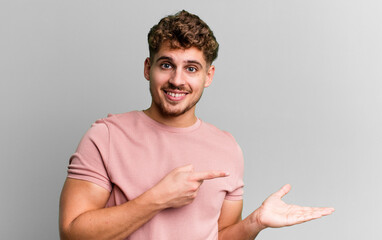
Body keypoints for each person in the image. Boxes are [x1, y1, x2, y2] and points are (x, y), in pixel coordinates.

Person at [59, 10, 334, 240]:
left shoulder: (227, 148)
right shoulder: (106, 136)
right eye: (166, 65)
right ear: (147, 68)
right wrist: (158, 198)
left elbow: (222, 236)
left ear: (208, 75)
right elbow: (72, 232)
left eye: (191, 68)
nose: (177, 80)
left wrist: (256, 223)